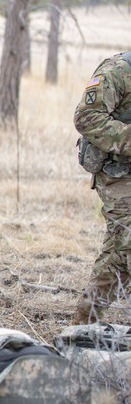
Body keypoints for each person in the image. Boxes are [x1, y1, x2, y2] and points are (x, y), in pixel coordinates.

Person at [73, 51, 131, 324]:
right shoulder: (117, 71)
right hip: (118, 173)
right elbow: (86, 118)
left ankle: (86, 319)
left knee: (119, 251)